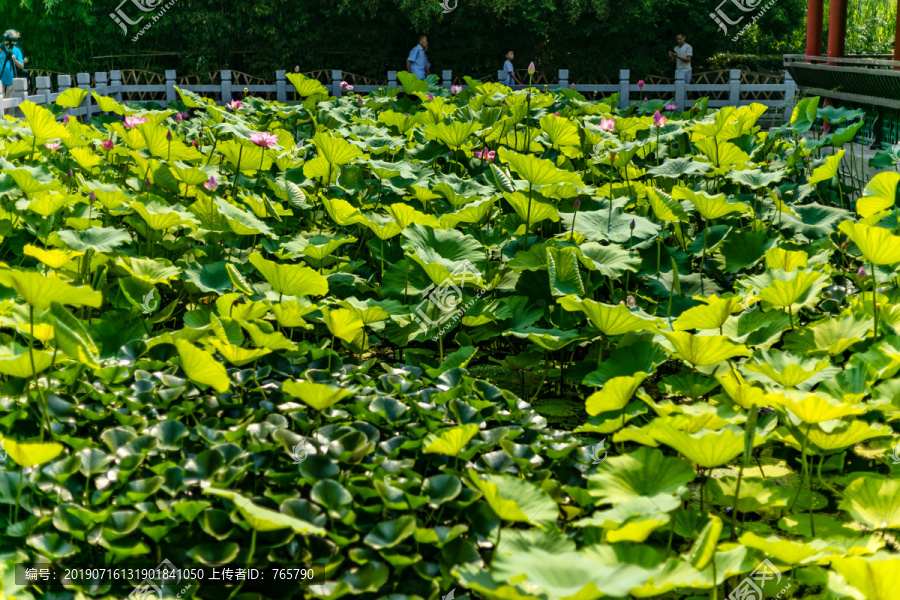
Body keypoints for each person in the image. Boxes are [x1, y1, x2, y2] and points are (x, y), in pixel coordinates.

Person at [0, 30, 24, 99]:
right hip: (0, 80)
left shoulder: (16, 50)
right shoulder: (0, 47)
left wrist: (14, 60)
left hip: (11, 81)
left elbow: (21, 66)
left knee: (10, 105)